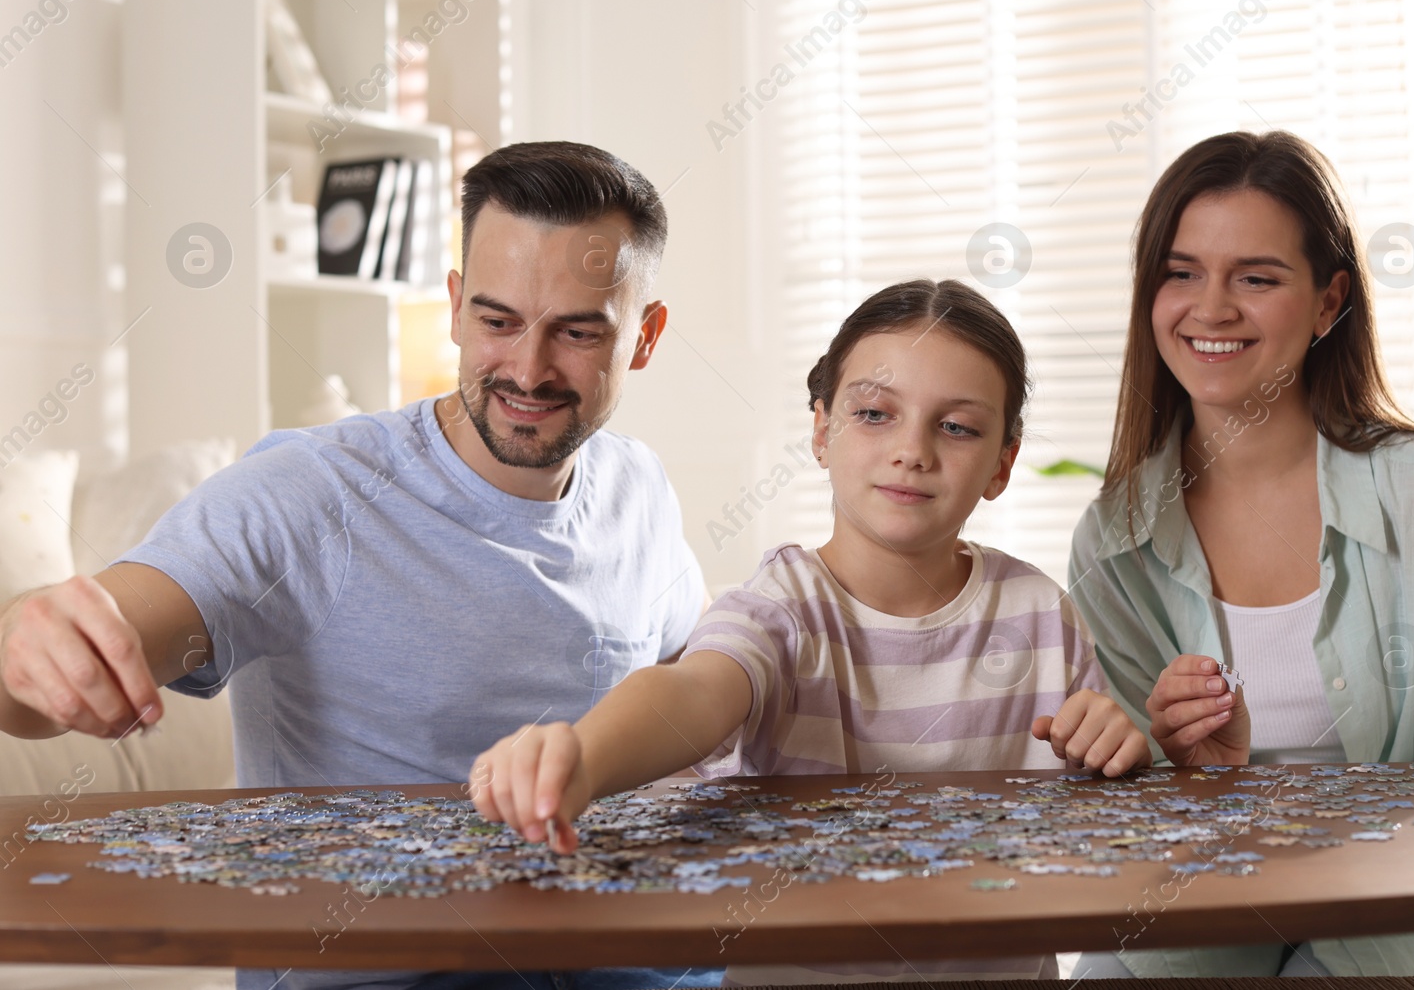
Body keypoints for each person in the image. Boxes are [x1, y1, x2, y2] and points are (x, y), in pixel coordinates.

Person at [0, 142, 721, 990]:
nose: (528, 368)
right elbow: (101, 637)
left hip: (624, 962)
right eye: (497, 320)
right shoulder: (305, 493)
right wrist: (29, 643)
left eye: (576, 331)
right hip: (389, 973)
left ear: (645, 335)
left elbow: (697, 693)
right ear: (454, 309)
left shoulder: (639, 484)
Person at [470, 278, 1152, 986]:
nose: (912, 449)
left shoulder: (1040, 610)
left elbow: (1098, 809)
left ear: (1001, 465)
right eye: (875, 413)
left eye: (957, 426)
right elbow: (692, 694)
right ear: (822, 432)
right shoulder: (781, 606)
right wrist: (583, 758)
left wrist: (1111, 744)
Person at [1066, 130, 1414, 978]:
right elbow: (1128, 818)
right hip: (1209, 899)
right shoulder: (1116, 535)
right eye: (1181, 271)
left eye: (1257, 278)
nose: (1211, 308)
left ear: (1327, 301)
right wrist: (1184, 770)